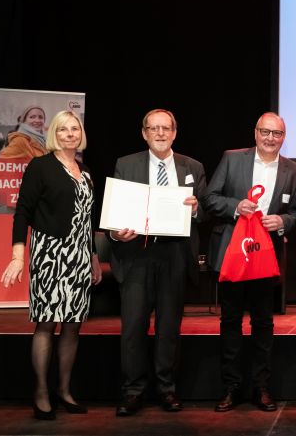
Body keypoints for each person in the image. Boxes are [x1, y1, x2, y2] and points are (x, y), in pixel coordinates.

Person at [0, 110, 102, 420]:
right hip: (50, 256)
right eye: (63, 130)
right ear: (53, 134)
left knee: (73, 326)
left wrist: (94, 258)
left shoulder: (85, 172)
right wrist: (18, 255)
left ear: (80, 133)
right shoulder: (40, 166)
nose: (70, 134)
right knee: (46, 323)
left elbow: (87, 221)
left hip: (80, 258)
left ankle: (64, 390)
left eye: (75, 129)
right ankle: (41, 391)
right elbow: (23, 213)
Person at [202, 112, 296, 412]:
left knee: (263, 323)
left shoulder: (294, 170)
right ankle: (231, 387)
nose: (271, 138)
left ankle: (261, 387)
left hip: (265, 256)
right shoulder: (232, 159)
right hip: (232, 255)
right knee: (230, 322)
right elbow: (210, 198)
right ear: (255, 133)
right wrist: (236, 207)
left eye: (277, 133)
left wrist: (283, 220)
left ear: (284, 137)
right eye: (265, 132)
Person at [108, 108, 206, 417]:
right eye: (154, 128)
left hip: (175, 254)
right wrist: (116, 233)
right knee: (133, 326)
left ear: (175, 133)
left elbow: (204, 213)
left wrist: (194, 210)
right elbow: (115, 212)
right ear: (144, 133)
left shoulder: (193, 167)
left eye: (166, 128)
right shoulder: (126, 164)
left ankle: (166, 389)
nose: (160, 133)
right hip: (137, 252)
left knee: (169, 327)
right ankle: (133, 391)